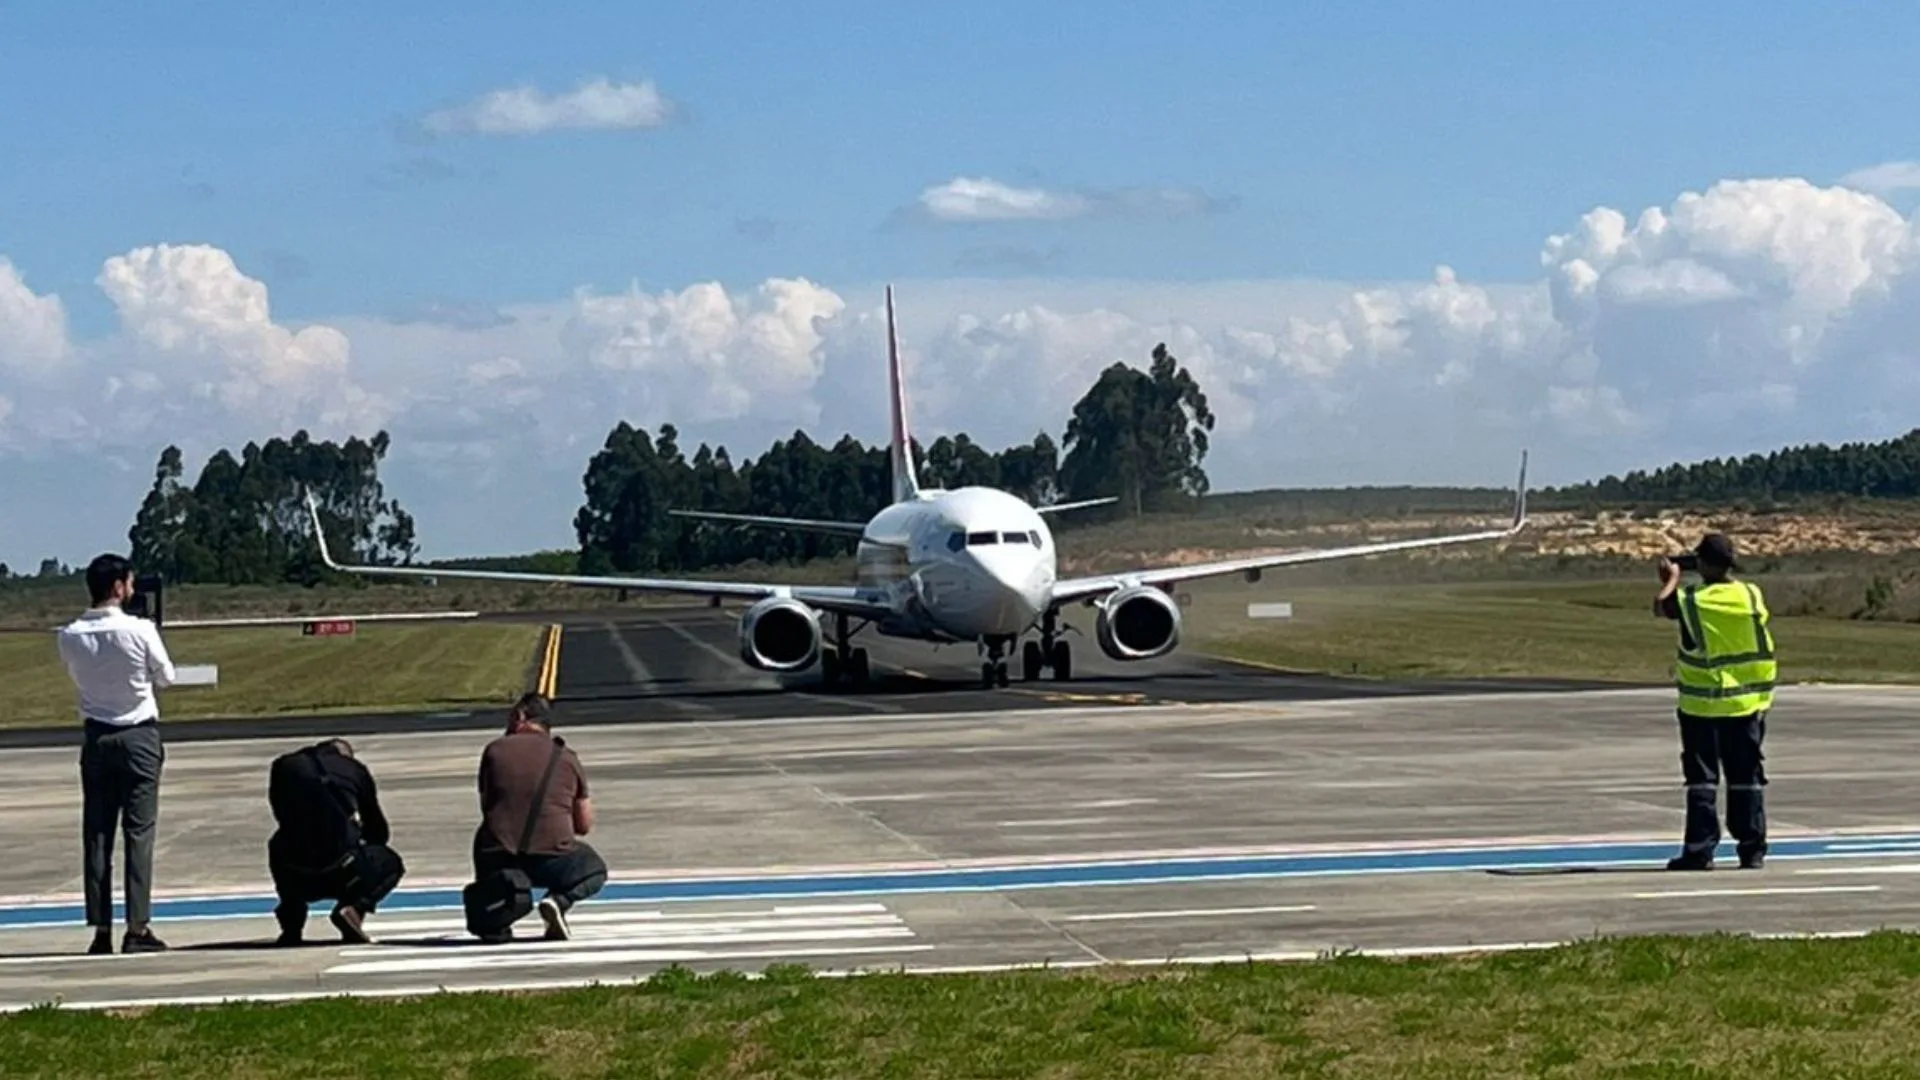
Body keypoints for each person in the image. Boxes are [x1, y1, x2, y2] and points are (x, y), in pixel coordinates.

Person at [55, 554, 174, 955]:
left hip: (97, 737)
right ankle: (137, 926)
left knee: (98, 834)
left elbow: (76, 675)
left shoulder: (70, 634)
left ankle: (101, 928)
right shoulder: (140, 629)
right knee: (139, 834)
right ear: (120, 587)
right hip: (138, 733)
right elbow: (166, 676)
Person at [1654, 532, 1775, 871]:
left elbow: (1661, 606)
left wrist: (1671, 580)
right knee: (1747, 777)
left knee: (1702, 780)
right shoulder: (1750, 594)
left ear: (1703, 564)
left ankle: (1700, 849)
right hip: (1747, 701)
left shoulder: (1694, 599)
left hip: (1703, 704)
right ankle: (1752, 849)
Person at [470, 693, 606, 942]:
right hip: (549, 859)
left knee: (484, 836)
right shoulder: (566, 757)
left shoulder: (494, 751)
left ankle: (497, 916)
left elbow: (487, 806)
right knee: (595, 869)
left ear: (520, 717)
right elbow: (584, 825)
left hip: (499, 856)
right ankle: (558, 901)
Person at [266, 738, 406, 946]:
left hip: (293, 870)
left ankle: (292, 923)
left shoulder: (283, 767)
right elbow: (378, 830)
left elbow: (280, 813)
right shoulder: (354, 770)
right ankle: (354, 908)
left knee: (280, 843)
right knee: (390, 862)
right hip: (341, 867)